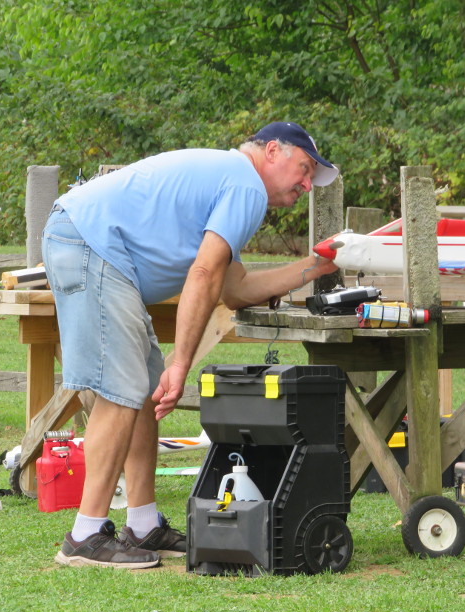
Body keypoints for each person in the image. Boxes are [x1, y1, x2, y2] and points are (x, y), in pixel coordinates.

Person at [41, 122, 340, 569]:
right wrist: (181, 364)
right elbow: (202, 275)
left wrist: (317, 267)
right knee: (121, 389)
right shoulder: (245, 185)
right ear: (273, 151)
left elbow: (234, 288)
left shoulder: (232, 182)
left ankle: (142, 524)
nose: (305, 184)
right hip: (92, 243)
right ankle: (84, 536)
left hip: (90, 243)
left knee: (139, 386)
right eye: (303, 168)